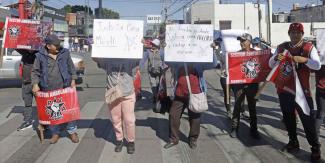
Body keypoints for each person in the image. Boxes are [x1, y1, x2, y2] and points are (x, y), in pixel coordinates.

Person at [268, 23, 321, 161]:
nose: (295, 34)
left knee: (307, 120)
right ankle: (293, 141)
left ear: (302, 34)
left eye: (298, 32)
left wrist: (304, 59)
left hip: (302, 91)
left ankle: (315, 147)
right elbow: (270, 64)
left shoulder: (308, 47)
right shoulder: (282, 47)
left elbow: (317, 65)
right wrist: (275, 58)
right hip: (284, 88)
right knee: (288, 118)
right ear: (289, 33)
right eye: (292, 32)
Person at [31, 34, 79, 144]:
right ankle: (55, 133)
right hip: (49, 89)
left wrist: (73, 79)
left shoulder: (65, 52)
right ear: (48, 46)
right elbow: (35, 71)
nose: (58, 47)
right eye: (55, 45)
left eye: (59, 44)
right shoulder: (40, 56)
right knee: (54, 112)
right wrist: (35, 84)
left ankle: (72, 132)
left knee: (70, 111)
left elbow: (71, 66)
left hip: (65, 86)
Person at [163, 55, 217, 149]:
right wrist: (164, 48)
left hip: (195, 95)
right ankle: (173, 139)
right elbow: (166, 59)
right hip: (179, 95)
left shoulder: (200, 62)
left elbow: (213, 64)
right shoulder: (178, 61)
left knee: (195, 118)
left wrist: (213, 51)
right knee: (173, 116)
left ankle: (193, 139)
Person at [94, 58, 138, 154]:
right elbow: (96, 58)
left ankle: (131, 141)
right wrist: (95, 45)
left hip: (128, 94)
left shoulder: (130, 59)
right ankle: (119, 140)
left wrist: (140, 45)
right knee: (115, 119)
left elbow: (139, 57)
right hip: (113, 94)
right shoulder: (107, 60)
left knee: (129, 120)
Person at [229, 33, 260, 139]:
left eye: (243, 40)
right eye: (240, 41)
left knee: (252, 108)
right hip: (239, 85)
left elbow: (264, 65)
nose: (241, 43)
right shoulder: (236, 55)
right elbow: (231, 68)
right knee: (237, 106)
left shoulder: (257, 53)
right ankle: (234, 128)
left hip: (252, 85)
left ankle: (254, 130)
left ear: (249, 42)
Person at [16, 49, 38, 131]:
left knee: (41, 104)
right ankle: (27, 121)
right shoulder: (24, 52)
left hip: (37, 84)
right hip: (26, 82)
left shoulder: (39, 53)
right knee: (27, 104)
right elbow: (16, 46)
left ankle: (44, 123)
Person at [211, 38, 232, 118]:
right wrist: (214, 50)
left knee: (239, 94)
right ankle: (229, 111)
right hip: (225, 77)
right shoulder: (219, 51)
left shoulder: (235, 50)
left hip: (235, 77)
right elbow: (216, 63)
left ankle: (242, 111)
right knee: (227, 94)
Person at [141, 39, 165, 103]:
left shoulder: (162, 52)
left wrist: (164, 68)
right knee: (152, 84)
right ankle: (155, 96)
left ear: (157, 45)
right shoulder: (148, 51)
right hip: (151, 71)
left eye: (153, 44)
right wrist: (139, 67)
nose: (152, 45)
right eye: (152, 44)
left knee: (159, 84)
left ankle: (159, 96)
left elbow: (164, 61)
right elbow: (143, 60)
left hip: (160, 71)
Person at [315, 50, 325, 137]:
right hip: (321, 89)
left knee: (320, 113)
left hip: (320, 89)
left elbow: (312, 69)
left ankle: (315, 137)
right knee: (320, 114)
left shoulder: (318, 55)